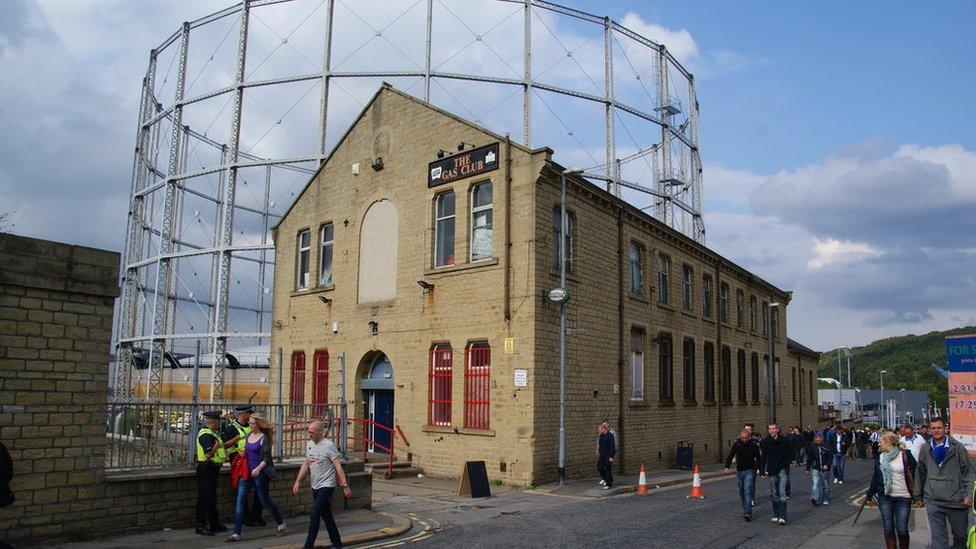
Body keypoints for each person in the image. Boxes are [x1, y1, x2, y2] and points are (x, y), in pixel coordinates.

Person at [914, 417, 976, 549]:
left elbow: (970, 472)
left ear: (945, 429)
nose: (936, 431)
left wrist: (968, 495)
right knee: (938, 542)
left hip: (956, 501)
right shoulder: (926, 448)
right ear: (930, 430)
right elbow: (920, 472)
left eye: (939, 428)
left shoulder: (957, 448)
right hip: (934, 500)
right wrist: (918, 495)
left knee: (960, 536)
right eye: (933, 428)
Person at [226, 413, 285, 542]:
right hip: (247, 472)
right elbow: (248, 451)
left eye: (252, 423)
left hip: (260, 473)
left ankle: (280, 522)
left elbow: (266, 458)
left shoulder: (264, 438)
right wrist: (243, 453)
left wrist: (258, 469)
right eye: (250, 423)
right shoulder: (248, 436)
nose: (250, 425)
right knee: (240, 501)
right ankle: (236, 533)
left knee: (265, 501)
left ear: (258, 424)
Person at [294, 420, 353, 549]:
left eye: (312, 432)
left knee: (314, 514)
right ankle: (337, 543)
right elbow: (306, 464)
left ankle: (308, 546)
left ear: (321, 432)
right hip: (315, 485)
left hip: (327, 485)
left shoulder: (328, 445)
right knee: (326, 515)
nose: (309, 435)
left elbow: (338, 467)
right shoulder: (309, 444)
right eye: (309, 432)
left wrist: (345, 486)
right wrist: (298, 481)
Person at [867, 432, 917, 549]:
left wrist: (919, 494)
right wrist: (870, 494)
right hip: (885, 496)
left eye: (881, 441)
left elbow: (916, 473)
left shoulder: (905, 455)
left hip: (903, 496)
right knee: (888, 527)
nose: (878, 443)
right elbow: (876, 477)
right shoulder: (880, 457)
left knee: (902, 529)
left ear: (888, 442)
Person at [224, 404, 263, 527]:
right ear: (243, 414)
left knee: (259, 489)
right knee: (242, 490)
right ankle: (245, 517)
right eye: (249, 413)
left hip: (254, 460)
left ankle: (256, 516)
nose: (251, 415)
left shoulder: (254, 426)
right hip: (239, 461)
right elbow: (226, 445)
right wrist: (240, 437)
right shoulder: (232, 428)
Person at [195, 411, 227, 536]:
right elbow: (208, 453)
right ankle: (200, 525)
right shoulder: (206, 435)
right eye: (217, 422)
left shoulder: (211, 432)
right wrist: (216, 446)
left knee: (212, 497)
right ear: (212, 422)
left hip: (212, 469)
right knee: (205, 498)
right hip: (206, 469)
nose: (219, 424)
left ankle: (214, 522)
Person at [724, 428, 762, 521]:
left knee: (747, 490)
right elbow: (731, 455)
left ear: (749, 438)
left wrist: (761, 471)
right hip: (740, 471)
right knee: (742, 491)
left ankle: (747, 512)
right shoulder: (737, 445)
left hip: (750, 470)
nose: (744, 440)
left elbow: (759, 459)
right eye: (742, 438)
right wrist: (727, 466)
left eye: (746, 438)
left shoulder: (754, 446)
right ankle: (746, 507)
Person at [762, 423, 791, 524]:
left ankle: (782, 516)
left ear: (778, 429)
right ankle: (776, 514)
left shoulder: (784, 440)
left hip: (782, 468)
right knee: (774, 493)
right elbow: (764, 456)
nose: (771, 430)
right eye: (769, 429)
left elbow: (790, 452)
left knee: (782, 491)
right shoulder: (766, 441)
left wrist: (787, 463)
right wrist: (762, 470)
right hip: (771, 469)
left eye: (773, 428)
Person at [806, 433, 832, 506]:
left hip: (825, 469)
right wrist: (807, 469)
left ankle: (825, 499)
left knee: (825, 485)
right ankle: (815, 498)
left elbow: (830, 457)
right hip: (815, 468)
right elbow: (809, 458)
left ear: (822, 439)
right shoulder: (812, 447)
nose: (818, 442)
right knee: (815, 483)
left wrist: (827, 465)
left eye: (819, 440)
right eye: (816, 440)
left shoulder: (827, 446)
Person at [597, 421, 617, 490]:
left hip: (608, 455)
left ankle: (608, 484)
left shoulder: (610, 436)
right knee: (599, 467)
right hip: (602, 455)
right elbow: (600, 445)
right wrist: (599, 452)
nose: (599, 431)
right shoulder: (601, 436)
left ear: (604, 429)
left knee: (608, 469)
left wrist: (611, 456)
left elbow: (612, 446)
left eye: (600, 430)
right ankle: (605, 478)